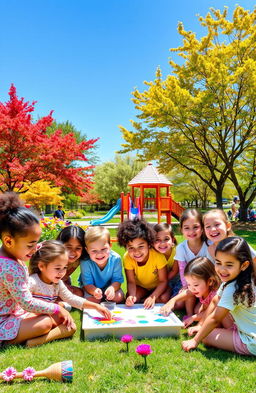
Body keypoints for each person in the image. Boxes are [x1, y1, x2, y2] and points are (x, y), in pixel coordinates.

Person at [0, 192, 73, 346]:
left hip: (13, 314)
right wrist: (56, 309)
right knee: (46, 323)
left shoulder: (8, 254)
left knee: (53, 317)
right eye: (30, 244)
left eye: (36, 243)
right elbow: (27, 303)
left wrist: (38, 246)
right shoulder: (10, 268)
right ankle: (6, 342)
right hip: (4, 321)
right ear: (8, 241)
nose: (34, 249)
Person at [27, 240, 111, 347]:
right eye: (57, 268)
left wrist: (97, 307)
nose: (62, 272)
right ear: (42, 266)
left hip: (46, 318)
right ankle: (38, 336)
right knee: (46, 322)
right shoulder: (32, 282)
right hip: (31, 319)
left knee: (71, 327)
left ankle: (39, 340)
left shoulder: (57, 283)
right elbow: (24, 306)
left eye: (65, 267)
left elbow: (71, 298)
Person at [182, 237, 256, 356]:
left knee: (207, 337)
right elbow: (215, 301)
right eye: (218, 262)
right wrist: (200, 325)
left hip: (251, 341)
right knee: (217, 315)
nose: (222, 269)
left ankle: (233, 336)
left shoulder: (233, 288)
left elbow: (215, 319)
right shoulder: (242, 279)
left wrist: (195, 340)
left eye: (229, 265)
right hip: (249, 329)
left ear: (244, 265)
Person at [117, 218, 169, 309]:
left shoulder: (158, 256)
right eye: (131, 248)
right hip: (141, 288)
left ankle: (147, 299)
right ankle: (144, 299)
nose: (136, 252)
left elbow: (163, 281)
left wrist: (153, 297)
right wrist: (131, 296)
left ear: (149, 244)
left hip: (158, 287)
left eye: (141, 246)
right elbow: (131, 281)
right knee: (133, 299)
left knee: (164, 298)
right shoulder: (127, 258)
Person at [160, 257, 220, 329]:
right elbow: (188, 292)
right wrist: (173, 300)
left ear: (210, 281)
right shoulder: (199, 289)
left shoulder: (215, 294)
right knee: (198, 311)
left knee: (199, 312)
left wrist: (193, 318)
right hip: (208, 310)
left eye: (195, 285)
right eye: (188, 284)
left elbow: (212, 312)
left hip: (221, 317)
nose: (192, 288)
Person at [174, 209, 209, 318]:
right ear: (181, 230)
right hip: (190, 283)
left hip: (206, 283)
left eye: (195, 227)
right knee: (179, 303)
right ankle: (189, 314)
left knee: (198, 310)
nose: (191, 231)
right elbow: (181, 268)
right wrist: (185, 285)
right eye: (187, 228)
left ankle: (202, 307)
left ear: (202, 228)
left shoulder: (209, 245)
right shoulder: (181, 248)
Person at [80, 226, 125, 304]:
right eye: (94, 251)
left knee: (119, 297)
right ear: (87, 250)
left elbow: (117, 280)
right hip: (91, 288)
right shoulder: (85, 262)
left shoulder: (116, 259)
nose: (99, 254)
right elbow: (87, 283)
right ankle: (101, 299)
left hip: (109, 287)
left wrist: (112, 288)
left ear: (110, 246)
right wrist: (94, 291)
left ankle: (105, 298)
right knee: (92, 301)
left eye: (103, 249)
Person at [57, 225, 87, 297]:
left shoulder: (81, 258)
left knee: (79, 293)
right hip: (44, 285)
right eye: (68, 247)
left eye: (78, 248)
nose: (73, 252)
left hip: (63, 283)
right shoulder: (52, 257)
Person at [153, 223, 181, 297]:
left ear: (173, 240)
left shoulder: (177, 252)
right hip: (159, 281)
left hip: (174, 280)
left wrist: (162, 281)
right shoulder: (153, 253)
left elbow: (174, 271)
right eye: (157, 240)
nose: (162, 243)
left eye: (166, 239)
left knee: (165, 296)